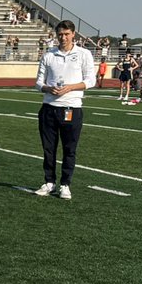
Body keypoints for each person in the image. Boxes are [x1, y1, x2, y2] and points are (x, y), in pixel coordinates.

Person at [34, 20, 95, 200]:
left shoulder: (84, 54)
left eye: (67, 34)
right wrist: (47, 88)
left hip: (72, 107)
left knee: (69, 149)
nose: (63, 37)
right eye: (60, 34)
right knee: (48, 149)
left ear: (73, 34)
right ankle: (49, 182)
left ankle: (65, 184)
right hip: (49, 108)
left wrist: (71, 87)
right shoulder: (49, 55)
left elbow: (90, 81)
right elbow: (38, 82)